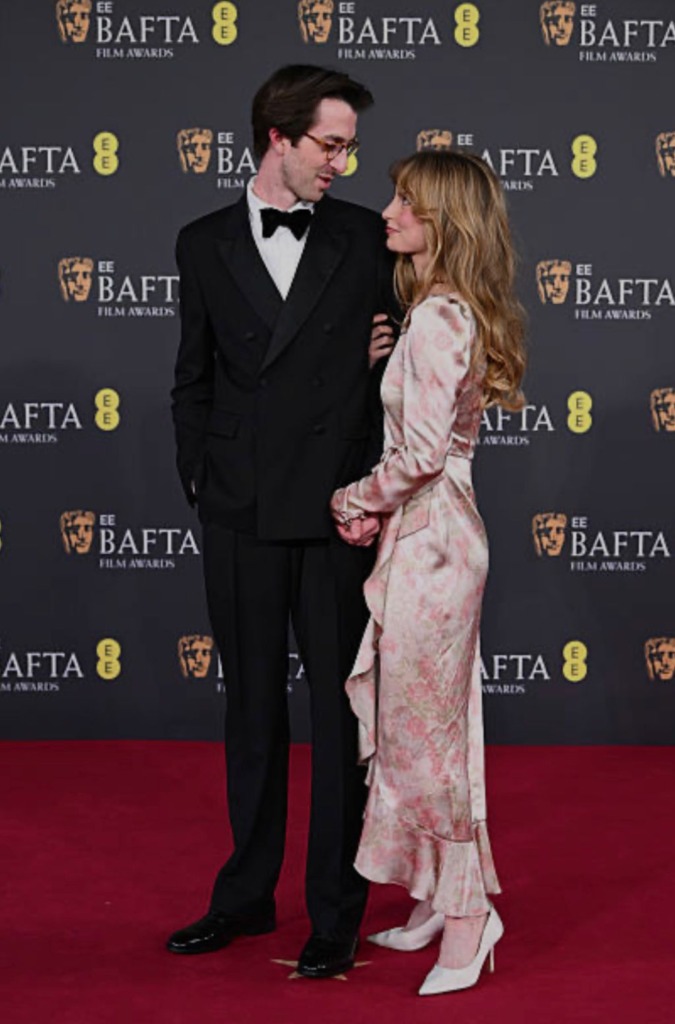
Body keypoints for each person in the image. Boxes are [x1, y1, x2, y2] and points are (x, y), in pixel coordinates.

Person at [168, 65, 397, 979]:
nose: (342, 162)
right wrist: (201, 477)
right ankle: (245, 896)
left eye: (348, 147)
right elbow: (192, 376)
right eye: (330, 145)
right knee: (252, 709)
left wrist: (382, 364)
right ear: (278, 137)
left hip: (339, 505)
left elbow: (419, 358)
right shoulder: (202, 241)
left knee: (339, 719)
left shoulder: (366, 235)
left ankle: (335, 911)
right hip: (240, 507)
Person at [330, 149, 526, 995]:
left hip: (434, 543)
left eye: (405, 202)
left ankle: (469, 917)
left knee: (430, 741)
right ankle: (437, 896)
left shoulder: (441, 318)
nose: (387, 213)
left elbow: (417, 457)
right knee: (429, 732)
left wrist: (352, 498)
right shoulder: (437, 312)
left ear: (444, 220)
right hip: (430, 533)